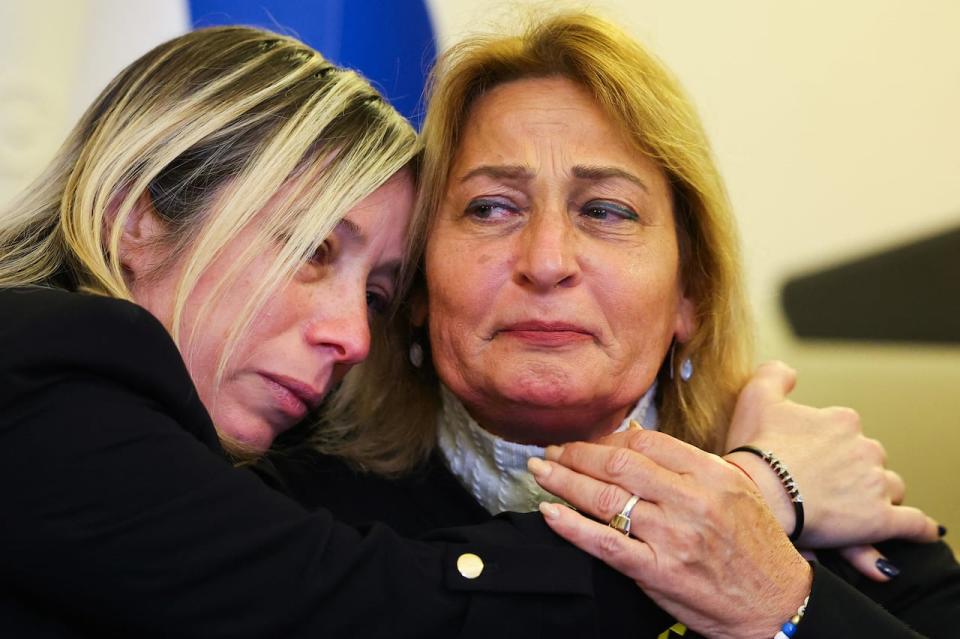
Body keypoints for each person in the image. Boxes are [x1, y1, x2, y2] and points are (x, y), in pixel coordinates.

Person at [0, 25, 724, 638]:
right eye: (313, 251)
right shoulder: (40, 360)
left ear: (693, 289)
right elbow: (355, 601)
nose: (353, 338)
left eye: (378, 295)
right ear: (138, 219)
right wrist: (741, 504)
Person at [265, 11, 960, 638]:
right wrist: (756, 489)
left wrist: (779, 599)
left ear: (691, 291)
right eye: (491, 208)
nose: (545, 261)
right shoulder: (288, 507)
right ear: (415, 284)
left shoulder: (838, 510)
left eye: (606, 211)